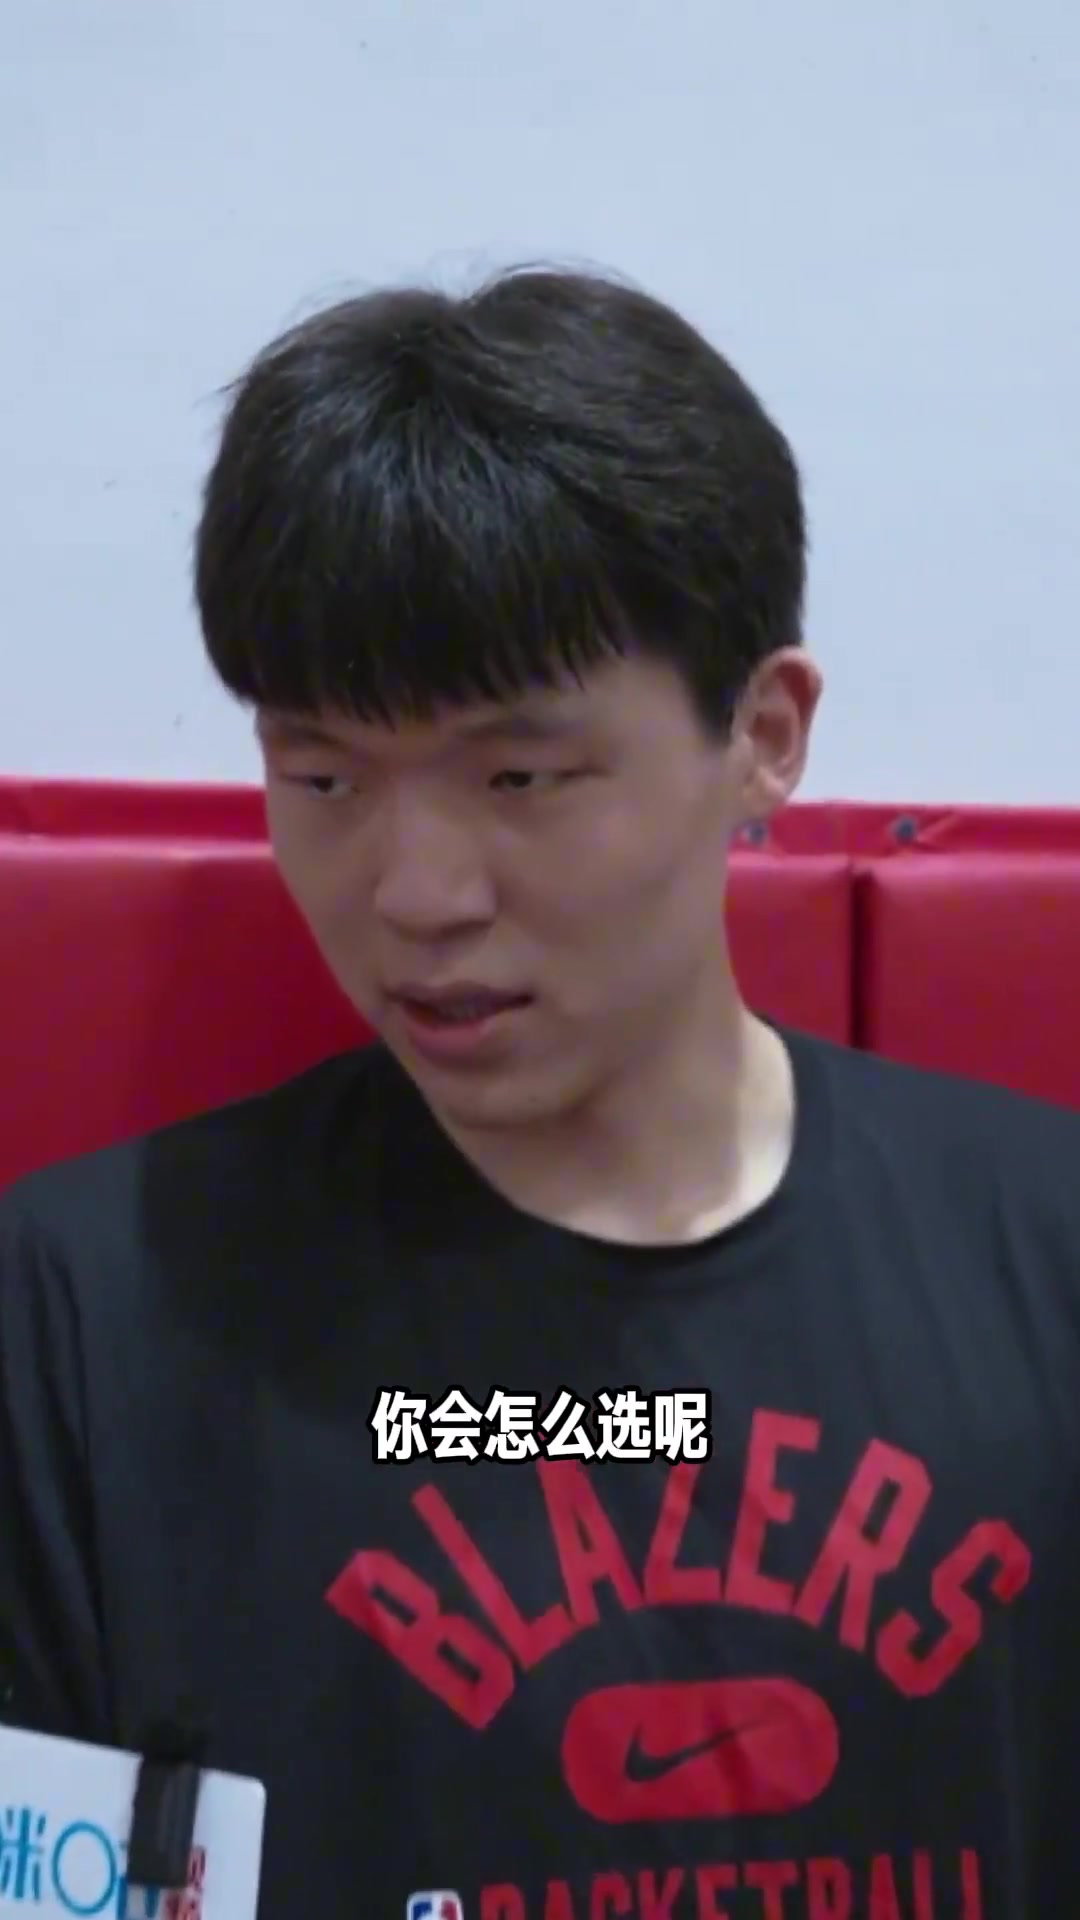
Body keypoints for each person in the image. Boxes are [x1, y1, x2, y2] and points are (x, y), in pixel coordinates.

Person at [1, 264, 1077, 1920]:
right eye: (321, 776)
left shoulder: (1044, 1253)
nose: (415, 893)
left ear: (764, 733)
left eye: (520, 775)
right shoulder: (80, 1315)